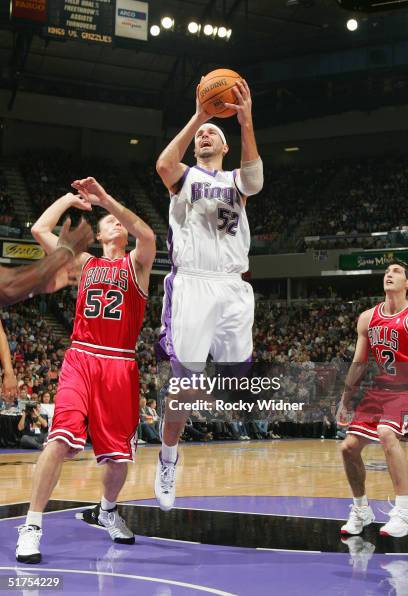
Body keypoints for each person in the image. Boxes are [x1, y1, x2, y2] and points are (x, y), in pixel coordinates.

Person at [16, 179, 156, 563]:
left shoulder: (137, 263)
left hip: (119, 363)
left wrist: (107, 199)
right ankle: (31, 526)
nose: (118, 224)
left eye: (120, 221)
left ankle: (107, 510)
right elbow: (39, 230)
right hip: (81, 357)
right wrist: (69, 199)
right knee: (58, 441)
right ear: (97, 232)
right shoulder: (82, 264)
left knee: (118, 459)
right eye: (109, 220)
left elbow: (146, 232)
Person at [155, 78, 263, 510]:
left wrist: (245, 120)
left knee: (239, 377)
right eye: (201, 133)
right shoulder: (184, 177)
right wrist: (199, 114)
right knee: (184, 385)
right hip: (194, 283)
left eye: (211, 133)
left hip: (234, 285)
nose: (204, 136)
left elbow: (254, 180)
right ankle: (167, 457)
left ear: (223, 145)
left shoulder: (237, 180)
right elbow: (163, 164)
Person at [338, 260, 408, 538]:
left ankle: (403, 511)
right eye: (387, 271)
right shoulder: (368, 318)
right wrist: (345, 399)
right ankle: (361, 509)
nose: (389, 274)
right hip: (379, 390)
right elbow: (359, 363)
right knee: (348, 448)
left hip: (405, 389)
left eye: (397, 271)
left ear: (407, 284)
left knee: (386, 434)